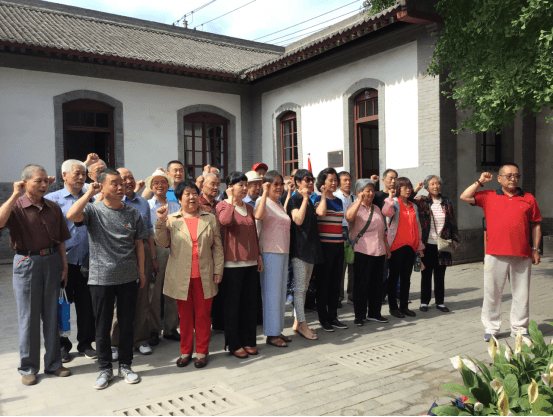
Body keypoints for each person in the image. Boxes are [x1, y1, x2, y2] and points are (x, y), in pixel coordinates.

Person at [67, 168, 148, 390]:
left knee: (126, 324)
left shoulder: (132, 212)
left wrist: (141, 273)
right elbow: (71, 215)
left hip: (128, 277)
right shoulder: (93, 210)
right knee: (102, 326)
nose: (121, 187)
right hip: (101, 278)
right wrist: (88, 193)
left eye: (122, 183)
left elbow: (139, 245)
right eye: (115, 183)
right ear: (102, 187)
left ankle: (126, 366)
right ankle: (105, 369)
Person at [0, 165, 72, 386]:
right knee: (28, 317)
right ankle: (28, 367)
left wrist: (64, 265)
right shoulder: (17, 205)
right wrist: (15, 193)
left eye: (45, 181)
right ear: (25, 183)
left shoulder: (53, 207)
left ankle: (54, 363)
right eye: (38, 181)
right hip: (27, 262)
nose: (43, 185)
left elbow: (60, 239)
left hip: (52, 261)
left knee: (51, 315)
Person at [460, 164, 542, 342]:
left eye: (516, 176)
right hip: (495, 252)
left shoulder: (528, 198)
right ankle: (491, 328)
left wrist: (536, 249)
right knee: (492, 293)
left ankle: (520, 328)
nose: (513, 179)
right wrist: (480, 181)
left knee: (521, 293)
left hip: (522, 253)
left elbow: (536, 224)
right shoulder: (488, 196)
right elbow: (465, 196)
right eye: (509, 175)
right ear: (499, 178)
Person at [155, 181, 224, 369]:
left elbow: (218, 247)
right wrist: (160, 222)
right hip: (181, 276)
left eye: (194, 193)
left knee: (203, 315)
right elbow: (162, 243)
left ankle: (201, 352)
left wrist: (218, 270)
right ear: (179, 199)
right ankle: (185, 351)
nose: (192, 197)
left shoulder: (209, 218)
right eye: (187, 194)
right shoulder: (171, 219)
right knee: (184, 317)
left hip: (204, 274)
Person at [46, 160, 97, 363]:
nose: (81, 177)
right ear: (64, 175)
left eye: (84, 174)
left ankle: (86, 343)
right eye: (77, 173)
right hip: (63, 262)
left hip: (87, 262)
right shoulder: (53, 200)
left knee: (87, 305)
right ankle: (62, 345)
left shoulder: (92, 198)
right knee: (62, 305)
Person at [110, 168, 159, 358]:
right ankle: (115, 343)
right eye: (123, 179)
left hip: (143, 251)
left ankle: (140, 339)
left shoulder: (143, 202)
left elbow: (149, 232)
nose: (128, 181)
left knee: (142, 297)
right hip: (121, 253)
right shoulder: (113, 202)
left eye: (130, 177)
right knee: (119, 301)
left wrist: (153, 257)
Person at [216, 172, 264, 359]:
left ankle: (249, 341)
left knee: (249, 304)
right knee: (232, 306)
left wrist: (258, 256)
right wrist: (230, 201)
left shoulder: (249, 208)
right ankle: (234, 343)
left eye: (246, 184)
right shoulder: (222, 205)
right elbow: (225, 221)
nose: (244, 188)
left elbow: (254, 234)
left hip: (250, 262)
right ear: (230, 187)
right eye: (240, 185)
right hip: (232, 264)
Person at [254, 171, 292, 348]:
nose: (279, 187)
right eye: (275, 184)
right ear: (267, 185)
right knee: (271, 295)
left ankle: (277, 329)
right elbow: (258, 216)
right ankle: (271, 334)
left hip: (283, 252)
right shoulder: (262, 201)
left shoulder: (278, 203)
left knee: (280, 295)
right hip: (269, 253)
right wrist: (263, 193)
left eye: (281, 184)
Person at [346, 179, 391, 326]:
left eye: (372, 190)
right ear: (359, 192)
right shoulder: (354, 206)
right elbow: (349, 217)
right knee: (361, 285)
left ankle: (374, 313)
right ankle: (359, 316)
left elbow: (382, 230)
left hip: (379, 251)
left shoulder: (376, 208)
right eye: (367, 191)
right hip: (362, 251)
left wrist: (387, 248)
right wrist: (359, 201)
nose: (371, 193)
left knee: (376, 284)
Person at [146, 170, 182, 345]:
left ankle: (170, 328)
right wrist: (152, 256)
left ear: (168, 186)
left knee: (173, 292)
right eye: (156, 183)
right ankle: (153, 330)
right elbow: (147, 233)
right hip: (156, 250)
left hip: (174, 250)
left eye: (163, 182)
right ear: (151, 187)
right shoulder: (146, 205)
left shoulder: (175, 206)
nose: (160, 185)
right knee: (154, 292)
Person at [382, 178, 425, 319]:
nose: (408, 189)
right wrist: (390, 197)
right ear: (398, 189)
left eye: (409, 187)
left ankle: (404, 307)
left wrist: (419, 246)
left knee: (406, 278)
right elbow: (386, 212)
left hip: (411, 246)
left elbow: (417, 226)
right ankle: (393, 308)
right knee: (394, 278)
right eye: (404, 187)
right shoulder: (394, 203)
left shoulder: (413, 206)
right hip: (396, 246)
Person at [415, 175, 459, 314]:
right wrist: (416, 189)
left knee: (440, 275)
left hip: (443, 244)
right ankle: (424, 302)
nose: (435, 186)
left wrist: (455, 238)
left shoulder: (446, 201)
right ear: (427, 187)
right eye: (432, 184)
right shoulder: (422, 201)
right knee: (426, 274)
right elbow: (406, 199)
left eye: (437, 183)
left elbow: (452, 221)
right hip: (427, 244)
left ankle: (440, 302)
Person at [287, 169, 321, 340]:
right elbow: (298, 220)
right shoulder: (294, 199)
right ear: (298, 182)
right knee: (300, 289)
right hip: (299, 250)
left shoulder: (309, 200)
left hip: (310, 249)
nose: (310, 182)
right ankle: (302, 324)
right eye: (307, 180)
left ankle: (297, 323)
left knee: (304, 288)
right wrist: (306, 198)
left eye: (312, 179)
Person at [313, 168, 347, 332]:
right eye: (330, 180)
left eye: (335, 180)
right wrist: (323, 194)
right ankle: (323, 318)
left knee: (336, 283)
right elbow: (321, 213)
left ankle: (333, 317)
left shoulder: (339, 201)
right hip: (324, 247)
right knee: (323, 284)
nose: (334, 183)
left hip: (338, 245)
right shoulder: (317, 199)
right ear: (323, 182)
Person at [334, 171, 357, 306]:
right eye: (345, 180)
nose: (348, 183)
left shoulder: (355, 197)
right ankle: (338, 297)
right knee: (340, 266)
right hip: (340, 231)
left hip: (353, 231)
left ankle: (352, 295)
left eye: (349, 180)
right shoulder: (335, 197)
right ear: (338, 183)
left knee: (353, 265)